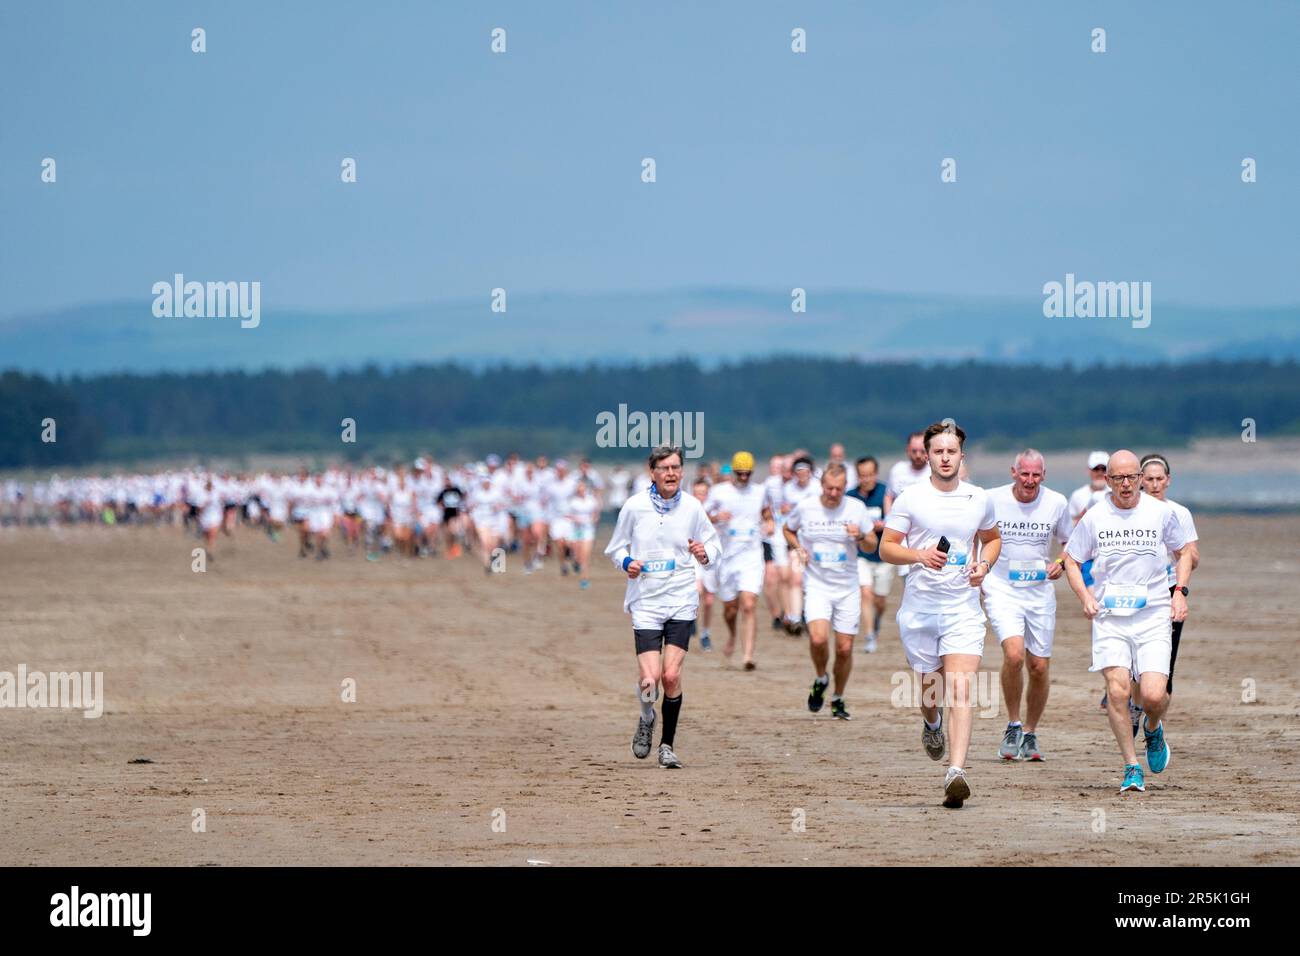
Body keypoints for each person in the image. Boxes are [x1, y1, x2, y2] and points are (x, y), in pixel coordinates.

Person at [879, 421, 1000, 809]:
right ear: (927, 456)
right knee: (931, 688)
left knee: (962, 688)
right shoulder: (910, 498)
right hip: (920, 609)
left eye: (952, 452)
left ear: (962, 456)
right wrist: (919, 555)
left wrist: (985, 566)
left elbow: (992, 538)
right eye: (938, 452)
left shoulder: (978, 497)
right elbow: (886, 547)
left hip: (962, 607)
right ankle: (932, 724)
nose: (945, 458)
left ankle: (956, 772)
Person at [1063, 450, 1191, 794]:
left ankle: (1152, 726)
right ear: (1107, 481)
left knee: (1152, 695)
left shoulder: (1160, 513)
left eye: (1131, 477)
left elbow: (1185, 554)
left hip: (1152, 615)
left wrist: (1179, 592)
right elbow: (1071, 560)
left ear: (1139, 478)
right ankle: (1131, 766)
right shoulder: (1094, 517)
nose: (1126, 484)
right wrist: (1086, 596)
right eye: (1118, 478)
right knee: (1118, 691)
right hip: (1110, 618)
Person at [605, 446, 721, 769]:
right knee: (649, 681)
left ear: (682, 472)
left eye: (676, 467)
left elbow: (714, 544)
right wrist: (627, 561)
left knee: (671, 675)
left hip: (681, 597)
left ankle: (667, 746)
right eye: (664, 468)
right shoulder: (634, 507)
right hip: (645, 599)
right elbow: (614, 548)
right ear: (652, 472)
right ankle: (646, 716)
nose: (671, 473)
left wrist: (704, 552)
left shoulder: (693, 508)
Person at [982, 450, 1071, 761]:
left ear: (1043, 476)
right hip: (1002, 587)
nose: (1030, 480)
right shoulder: (991, 500)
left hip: (1039, 591)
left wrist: (1060, 562)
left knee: (1039, 666)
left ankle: (1031, 733)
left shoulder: (1057, 502)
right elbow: (974, 535)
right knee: (1014, 654)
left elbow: (1070, 542)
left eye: (1036, 475)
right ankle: (1013, 724)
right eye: (1024, 474)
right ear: (1013, 472)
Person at [785, 463, 875, 719]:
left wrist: (859, 537)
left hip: (847, 587)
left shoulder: (856, 509)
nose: (833, 493)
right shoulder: (807, 507)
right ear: (821, 485)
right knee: (818, 639)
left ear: (845, 487)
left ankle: (838, 697)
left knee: (845, 649)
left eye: (838, 489)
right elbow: (788, 529)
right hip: (817, 585)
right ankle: (821, 677)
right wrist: (798, 548)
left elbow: (872, 545)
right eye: (829, 488)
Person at [1139, 454, 1200, 694]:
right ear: (1140, 480)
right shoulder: (1132, 511)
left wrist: (1178, 549)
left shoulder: (1179, 513)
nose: (1154, 484)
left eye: (1159, 479)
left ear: (1168, 480)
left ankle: (1155, 720)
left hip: (1170, 589)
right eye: (1149, 479)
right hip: (1137, 589)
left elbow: (1193, 559)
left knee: (1167, 659)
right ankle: (1133, 706)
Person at [704, 451, 771, 670]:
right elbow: (701, 516)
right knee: (731, 609)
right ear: (733, 472)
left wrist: (769, 524)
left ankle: (748, 655)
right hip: (727, 557)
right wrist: (716, 517)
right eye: (740, 473)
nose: (744, 477)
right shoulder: (719, 492)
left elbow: (768, 514)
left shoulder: (760, 491)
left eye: (747, 474)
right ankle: (733, 634)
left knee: (749, 604)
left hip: (751, 555)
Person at [847, 456, 890, 653]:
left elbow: (896, 519)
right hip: (861, 554)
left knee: (880, 600)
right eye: (862, 476)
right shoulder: (851, 497)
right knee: (865, 593)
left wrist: (884, 524)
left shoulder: (885, 493)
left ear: (876, 474)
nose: (866, 479)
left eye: (870, 475)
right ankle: (869, 636)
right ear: (857, 476)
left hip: (884, 555)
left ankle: (878, 618)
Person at [780, 456, 820, 634]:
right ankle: (795, 617)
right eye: (798, 471)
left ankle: (813, 616)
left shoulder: (818, 487)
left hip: (817, 541)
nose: (802, 474)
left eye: (805, 471)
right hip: (796, 540)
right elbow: (784, 512)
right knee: (795, 578)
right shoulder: (788, 489)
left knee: (814, 581)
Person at [690, 477, 718, 650]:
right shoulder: (689, 508)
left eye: (703, 493)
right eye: (697, 493)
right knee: (697, 590)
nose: (700, 497)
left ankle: (705, 632)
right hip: (694, 557)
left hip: (712, 556)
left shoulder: (714, 507)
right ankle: (691, 618)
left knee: (709, 600)